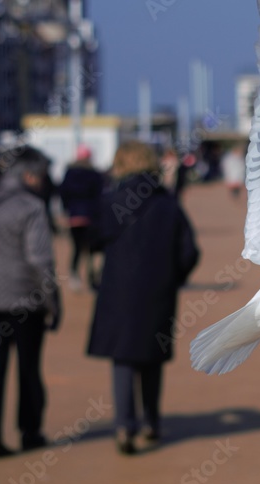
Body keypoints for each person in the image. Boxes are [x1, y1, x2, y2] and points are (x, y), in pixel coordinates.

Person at [87, 141, 200, 454]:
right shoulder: (168, 204)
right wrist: (173, 277)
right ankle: (150, 421)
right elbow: (189, 251)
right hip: (156, 292)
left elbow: (93, 238)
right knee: (152, 358)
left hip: (118, 292)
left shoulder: (111, 200)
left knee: (123, 358)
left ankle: (124, 425)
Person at [0, 147, 61, 458]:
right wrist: (52, 301)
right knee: (29, 370)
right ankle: (29, 431)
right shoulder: (31, 207)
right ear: (30, 175)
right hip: (23, 303)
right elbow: (39, 260)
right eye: (42, 176)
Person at [58, 145, 105, 290]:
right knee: (92, 250)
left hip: (75, 217)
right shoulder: (95, 174)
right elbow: (101, 195)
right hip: (92, 217)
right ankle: (92, 279)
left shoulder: (69, 173)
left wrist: (67, 210)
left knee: (76, 248)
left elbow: (63, 193)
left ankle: (74, 276)